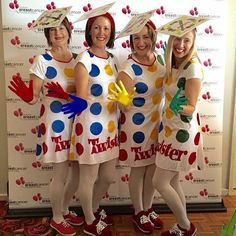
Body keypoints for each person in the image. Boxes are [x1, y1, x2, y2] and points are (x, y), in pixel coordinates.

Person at [8, 16, 86, 236]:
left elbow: (81, 93)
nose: (58, 33)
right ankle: (57, 217)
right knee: (60, 173)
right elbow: (34, 98)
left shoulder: (78, 59)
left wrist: (71, 95)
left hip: (77, 122)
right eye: (53, 30)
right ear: (48, 35)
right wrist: (27, 97)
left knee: (78, 173)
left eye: (62, 28)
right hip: (55, 123)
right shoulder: (42, 60)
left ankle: (64, 208)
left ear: (69, 32)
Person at [61, 12, 119, 236]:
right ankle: (89, 220)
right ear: (89, 31)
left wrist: (123, 100)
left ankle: (93, 209)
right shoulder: (83, 59)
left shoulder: (113, 59)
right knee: (89, 178)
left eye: (105, 28)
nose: (101, 32)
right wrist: (71, 101)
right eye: (96, 28)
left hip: (111, 127)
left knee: (108, 177)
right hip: (90, 127)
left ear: (111, 32)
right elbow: (82, 96)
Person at [111, 20, 165, 234]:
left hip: (157, 123)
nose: (141, 42)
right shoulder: (128, 67)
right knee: (139, 169)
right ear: (131, 41)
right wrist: (122, 100)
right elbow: (122, 107)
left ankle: (149, 208)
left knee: (153, 168)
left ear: (153, 37)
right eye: (136, 38)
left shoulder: (160, 59)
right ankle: (139, 212)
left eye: (145, 37)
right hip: (135, 127)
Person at [152, 20, 205, 236]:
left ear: (193, 42)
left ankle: (185, 226)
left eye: (187, 40)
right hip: (169, 129)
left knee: (159, 181)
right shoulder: (175, 64)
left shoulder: (192, 68)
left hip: (182, 133)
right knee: (173, 181)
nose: (181, 44)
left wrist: (179, 106)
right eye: (178, 39)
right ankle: (183, 226)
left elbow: (191, 107)